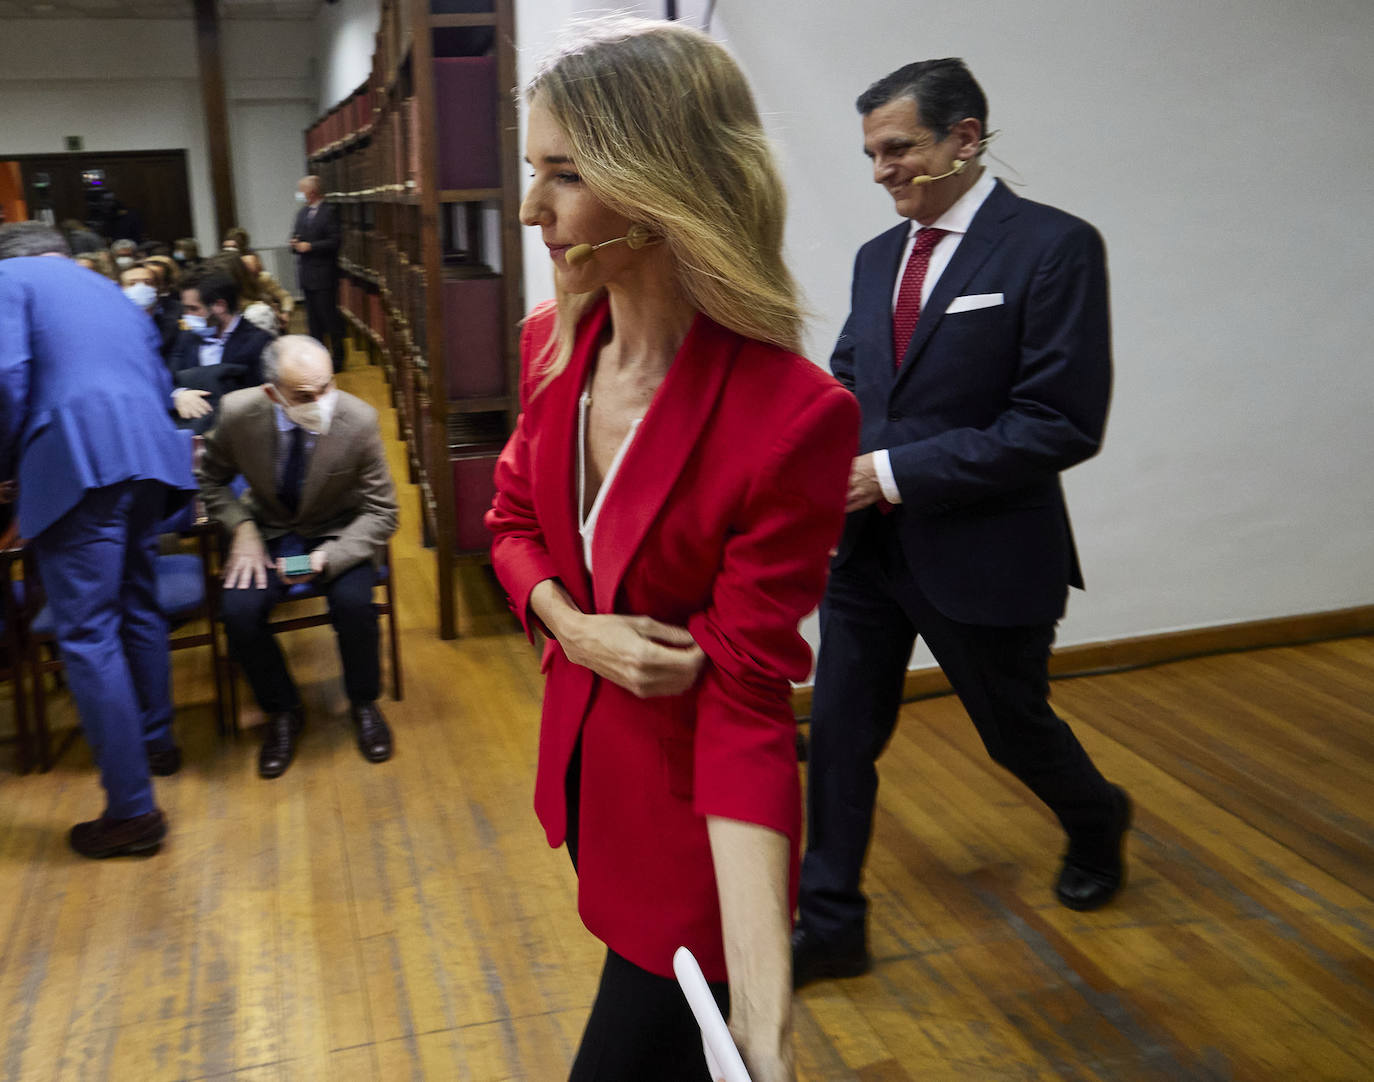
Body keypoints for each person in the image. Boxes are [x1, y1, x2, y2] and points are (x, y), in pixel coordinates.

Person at [486, 19, 858, 1082]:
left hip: (697, 833)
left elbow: (748, 702)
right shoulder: (550, 346)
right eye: (533, 172)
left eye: (564, 175)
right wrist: (572, 625)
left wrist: (767, 1004)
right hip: (593, 793)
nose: (530, 210)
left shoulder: (791, 415)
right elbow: (513, 526)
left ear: (663, 180)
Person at [792, 58, 1130, 988]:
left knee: (1012, 728)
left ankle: (1098, 818)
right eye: (871, 154)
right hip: (866, 552)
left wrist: (891, 473)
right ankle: (830, 926)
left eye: (898, 149)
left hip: (984, 549)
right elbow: (853, 379)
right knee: (843, 731)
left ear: (965, 138)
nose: (881, 171)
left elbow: (1059, 422)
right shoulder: (875, 259)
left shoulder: (1053, 248)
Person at [0, 222, 196, 857]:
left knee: (87, 634)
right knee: (139, 603)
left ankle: (132, 811)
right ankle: (157, 741)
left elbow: (6, 381)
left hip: (80, 460)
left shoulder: (7, 280)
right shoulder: (106, 288)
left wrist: (7, 468)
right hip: (149, 457)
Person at [197, 335, 398, 779]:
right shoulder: (238, 413)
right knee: (238, 613)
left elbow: (383, 511)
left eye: (326, 388)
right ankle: (282, 710)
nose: (320, 403)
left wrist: (335, 553)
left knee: (353, 605)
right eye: (304, 396)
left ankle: (364, 703)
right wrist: (243, 529)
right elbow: (210, 482)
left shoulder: (358, 419)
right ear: (272, 393)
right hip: (267, 529)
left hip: (337, 530)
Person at [166, 267, 273, 433]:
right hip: (188, 433)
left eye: (193, 309)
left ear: (220, 306)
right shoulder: (187, 337)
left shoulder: (259, 343)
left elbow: (265, 401)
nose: (186, 316)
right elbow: (168, 378)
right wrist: (179, 395)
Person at [289, 176, 344, 371]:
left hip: (324, 275)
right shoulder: (302, 213)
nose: (299, 194)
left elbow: (334, 241)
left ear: (311, 192)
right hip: (306, 275)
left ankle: (338, 359)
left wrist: (310, 246)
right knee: (313, 322)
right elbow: (295, 236)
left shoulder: (329, 212)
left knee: (329, 318)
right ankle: (318, 359)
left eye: (301, 190)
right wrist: (294, 244)